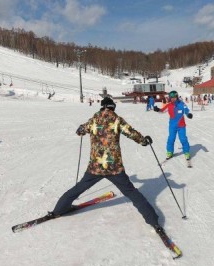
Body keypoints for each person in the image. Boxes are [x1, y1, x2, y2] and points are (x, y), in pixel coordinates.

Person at [50, 97, 164, 233]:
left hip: (95, 167)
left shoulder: (93, 120)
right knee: (131, 192)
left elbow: (80, 130)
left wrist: (81, 130)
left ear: (102, 107)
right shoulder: (117, 120)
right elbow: (131, 133)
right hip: (114, 168)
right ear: (112, 107)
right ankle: (153, 221)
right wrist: (144, 141)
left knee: (79, 188)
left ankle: (59, 209)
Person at [154, 90, 192, 161]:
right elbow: (163, 110)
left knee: (183, 139)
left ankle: (186, 152)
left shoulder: (181, 104)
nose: (173, 99)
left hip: (181, 126)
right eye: (171, 98)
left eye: (174, 97)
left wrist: (188, 114)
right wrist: (158, 109)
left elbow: (186, 110)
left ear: (177, 97)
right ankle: (169, 152)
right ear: (169, 98)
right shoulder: (169, 105)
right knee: (171, 139)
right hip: (172, 126)